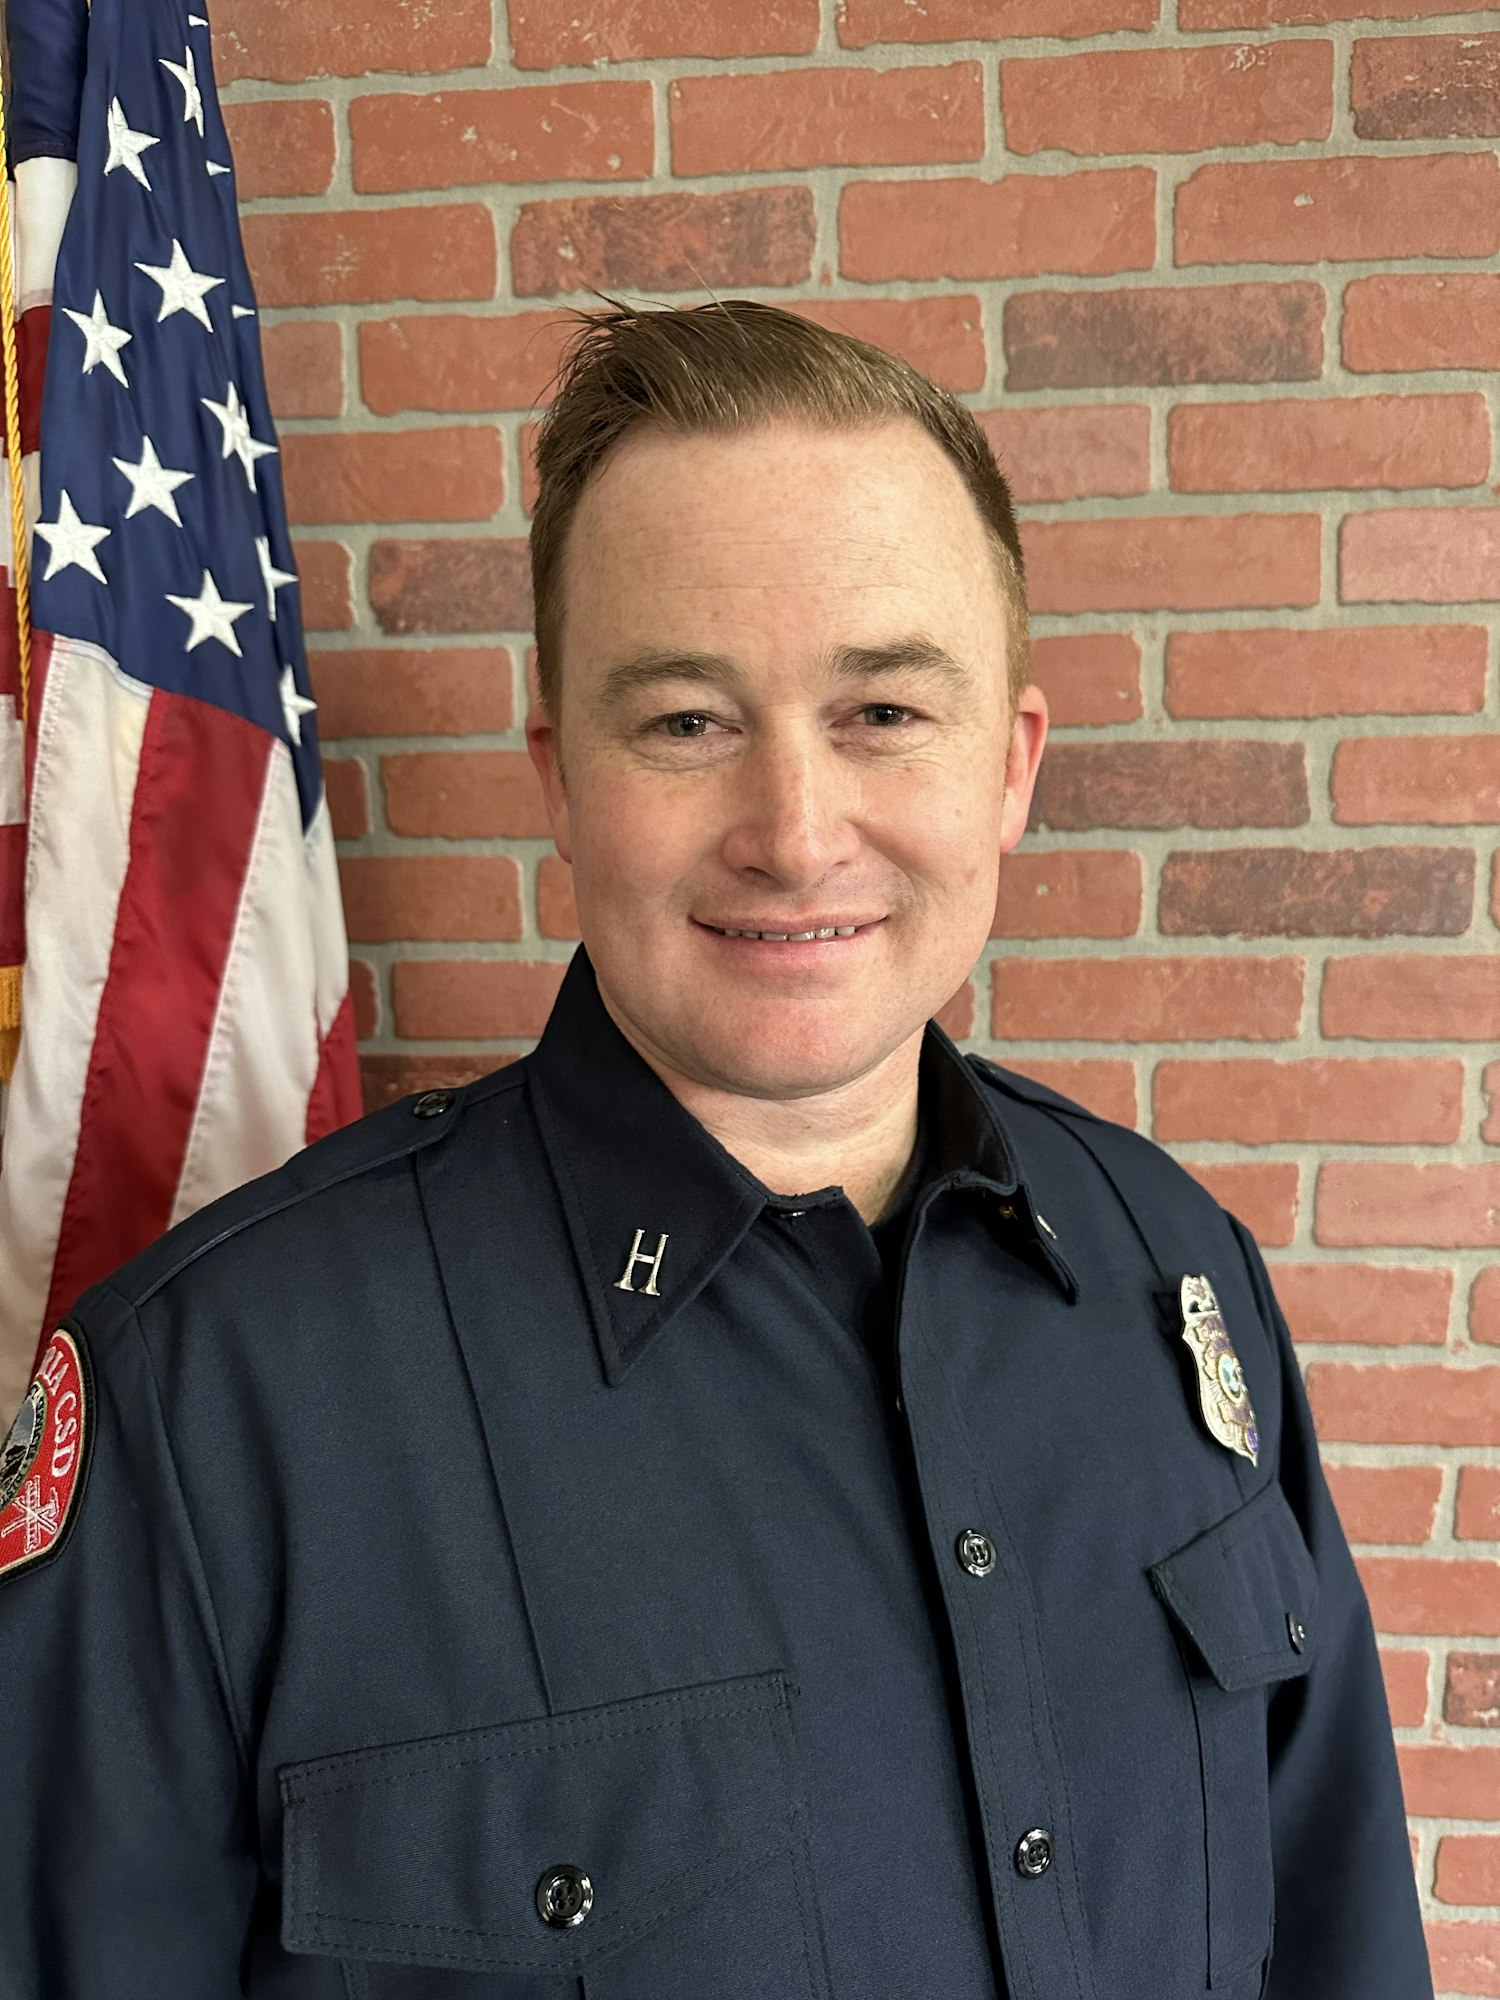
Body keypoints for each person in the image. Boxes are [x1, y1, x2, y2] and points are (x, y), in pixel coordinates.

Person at [0, 300, 1431, 2000]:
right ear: (560, 779)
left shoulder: (1180, 1276)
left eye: (885, 710)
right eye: (685, 721)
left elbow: (1341, 1935)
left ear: (1010, 770)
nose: (795, 833)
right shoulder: (210, 1407)